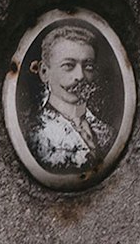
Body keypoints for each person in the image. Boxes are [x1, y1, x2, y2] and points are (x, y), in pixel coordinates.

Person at [28, 23, 114, 170]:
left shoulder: (108, 132)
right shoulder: (33, 134)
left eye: (88, 66)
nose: (80, 76)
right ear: (44, 72)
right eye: (68, 65)